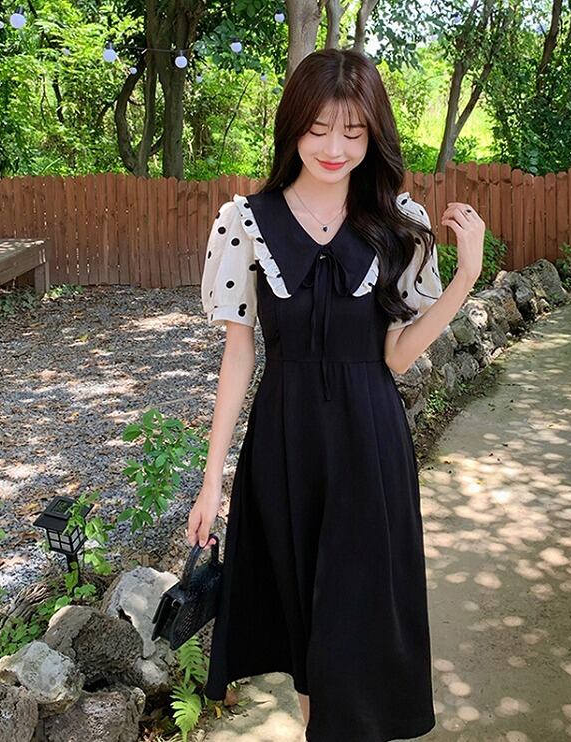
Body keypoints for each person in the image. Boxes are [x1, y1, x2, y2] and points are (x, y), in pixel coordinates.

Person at [186, 48, 484, 742]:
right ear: (293, 126)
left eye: (353, 132)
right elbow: (239, 354)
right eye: (319, 128)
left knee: (357, 630)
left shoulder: (396, 220)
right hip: (284, 448)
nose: (335, 147)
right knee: (305, 636)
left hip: (369, 447)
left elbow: (397, 356)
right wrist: (212, 480)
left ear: (374, 135)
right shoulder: (245, 220)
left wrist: (466, 278)